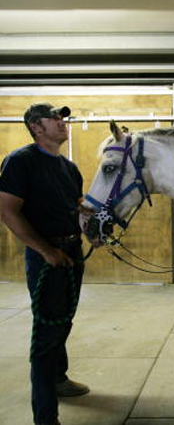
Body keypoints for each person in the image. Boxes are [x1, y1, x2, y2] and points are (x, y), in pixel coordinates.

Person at [0, 103, 89, 425]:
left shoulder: (69, 168)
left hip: (71, 253)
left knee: (63, 321)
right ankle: (45, 416)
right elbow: (7, 210)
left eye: (63, 118)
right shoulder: (21, 162)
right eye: (55, 118)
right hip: (46, 258)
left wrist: (93, 222)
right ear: (36, 127)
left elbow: (75, 208)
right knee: (46, 334)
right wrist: (44, 251)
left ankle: (59, 379)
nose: (62, 122)